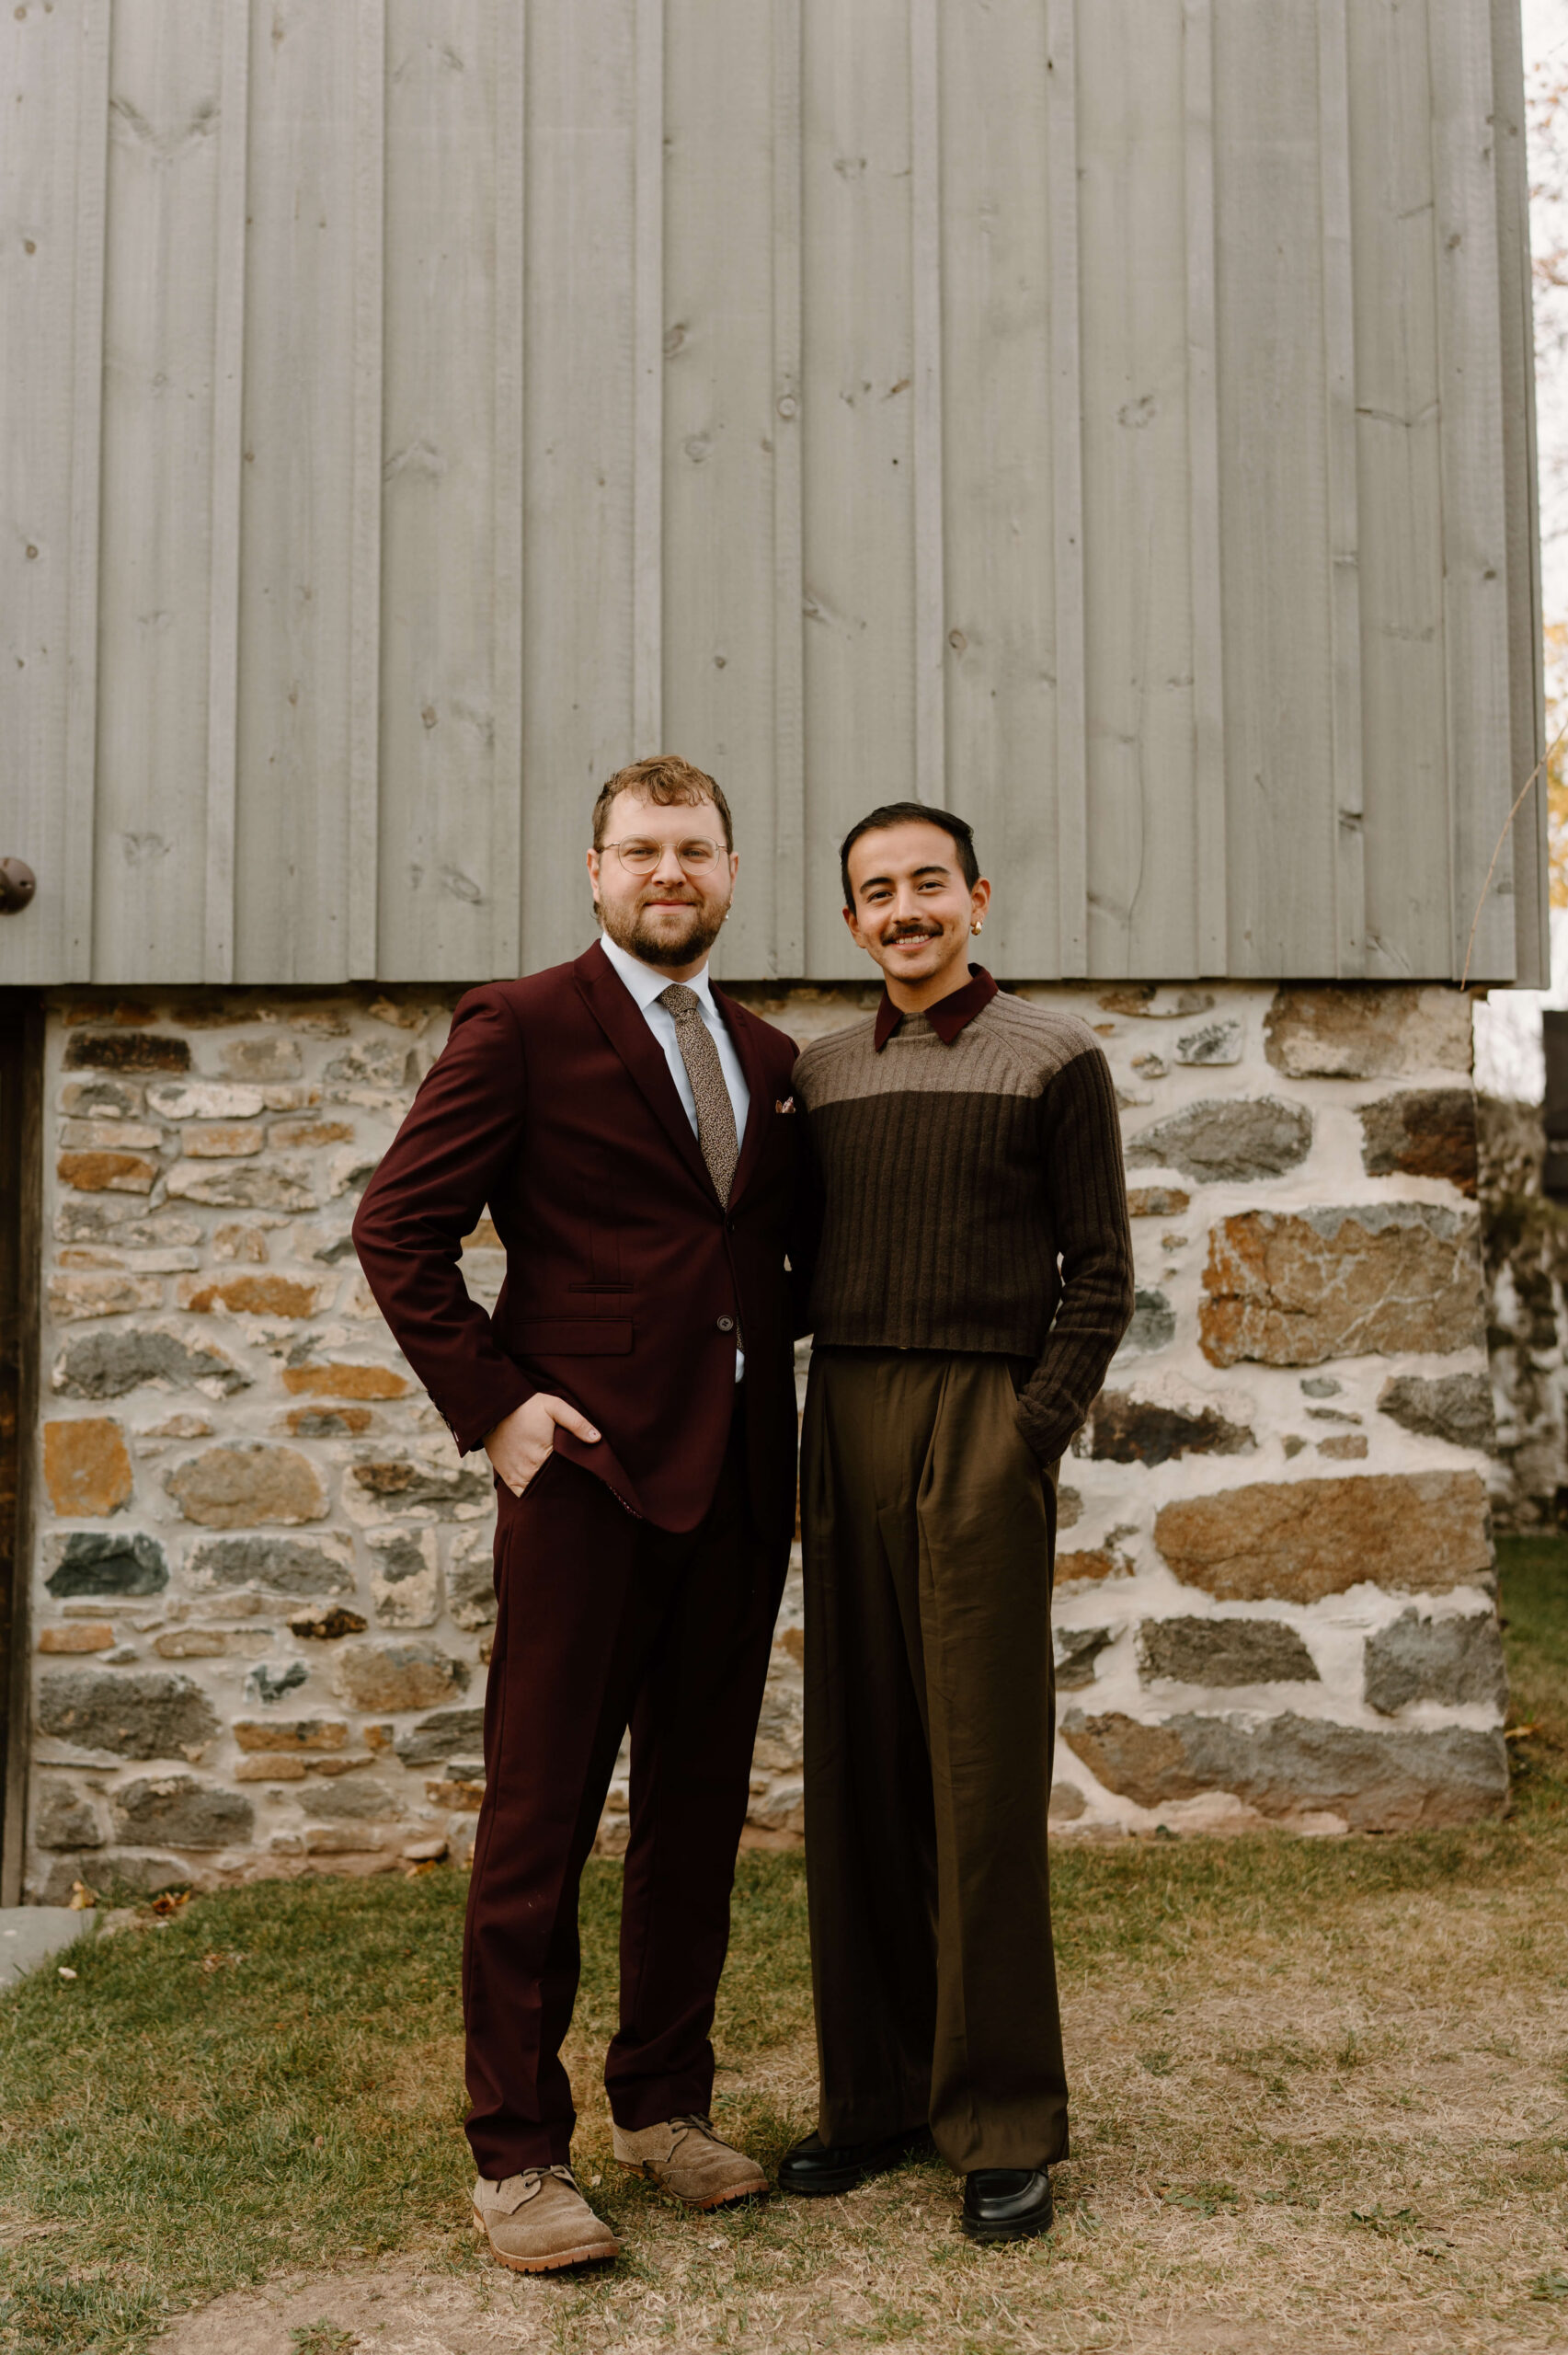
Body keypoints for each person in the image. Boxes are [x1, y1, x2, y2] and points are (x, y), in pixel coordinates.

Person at [352, 755, 805, 2274]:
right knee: (539, 1814)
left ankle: (663, 2105)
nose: (669, 873)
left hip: (738, 1483)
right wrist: (498, 1406)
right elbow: (398, 1229)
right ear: (595, 871)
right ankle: (516, 2155)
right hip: (586, 1482)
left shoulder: (766, 1054)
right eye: (641, 850)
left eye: (695, 850)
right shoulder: (522, 1024)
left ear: (728, 870)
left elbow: (757, 1263)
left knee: (696, 1810)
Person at [780, 800, 1134, 2243]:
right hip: (845, 1411)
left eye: (928, 883)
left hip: (981, 1419)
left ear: (976, 900)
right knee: (856, 1763)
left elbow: (1099, 1272)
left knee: (977, 1775)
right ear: (851, 921)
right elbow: (787, 1261)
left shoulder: (1052, 1056)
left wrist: (1024, 1434)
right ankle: (870, 2100)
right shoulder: (816, 1075)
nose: (905, 909)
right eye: (878, 892)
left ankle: (1000, 2119)